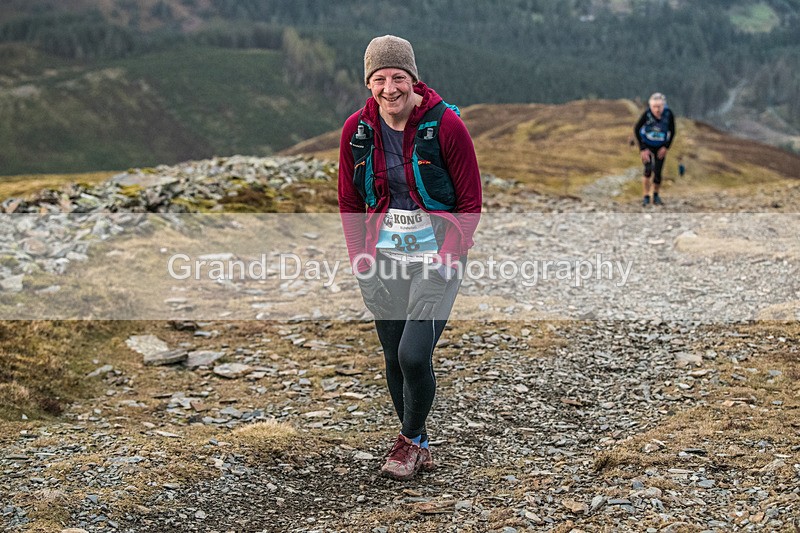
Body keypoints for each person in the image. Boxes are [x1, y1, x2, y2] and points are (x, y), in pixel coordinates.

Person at [338, 35, 482, 480]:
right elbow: (348, 202)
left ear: (413, 78)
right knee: (391, 355)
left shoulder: (446, 126)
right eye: (379, 79)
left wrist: (444, 264)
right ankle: (415, 442)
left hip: (438, 256)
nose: (389, 88)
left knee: (414, 355)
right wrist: (361, 262)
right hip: (385, 257)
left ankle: (409, 441)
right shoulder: (356, 132)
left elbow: (470, 204)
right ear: (369, 83)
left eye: (398, 77)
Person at [634, 92, 675, 206]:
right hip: (647, 145)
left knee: (658, 172)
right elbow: (636, 129)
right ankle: (646, 196)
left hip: (660, 146)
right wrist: (642, 149)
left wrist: (666, 147)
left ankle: (656, 195)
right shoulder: (646, 114)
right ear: (650, 106)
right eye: (654, 107)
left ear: (664, 106)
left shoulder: (668, 114)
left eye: (659, 107)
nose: (657, 110)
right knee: (647, 170)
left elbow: (673, 131)